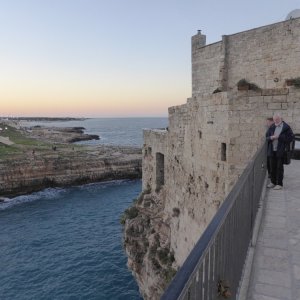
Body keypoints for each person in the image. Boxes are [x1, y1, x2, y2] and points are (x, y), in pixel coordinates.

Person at [266, 113, 294, 190]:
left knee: (279, 168)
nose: (276, 121)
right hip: (272, 150)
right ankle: (273, 182)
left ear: (280, 119)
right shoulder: (272, 126)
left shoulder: (286, 127)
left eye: (277, 119)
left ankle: (279, 184)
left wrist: (279, 137)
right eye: (274, 120)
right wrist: (271, 137)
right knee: (272, 167)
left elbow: (291, 138)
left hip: (281, 151)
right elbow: (266, 137)